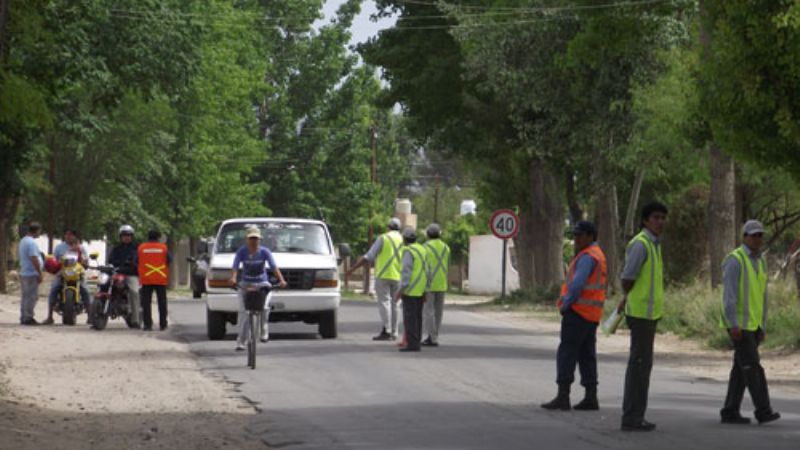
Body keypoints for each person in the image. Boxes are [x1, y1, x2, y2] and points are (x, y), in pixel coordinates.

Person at [719, 220, 781, 425]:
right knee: (753, 367)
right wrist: (733, 323)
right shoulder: (735, 260)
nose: (757, 239)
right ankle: (763, 410)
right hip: (739, 325)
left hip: (753, 324)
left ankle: (730, 411)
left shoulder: (760, 261)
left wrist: (762, 324)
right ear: (744, 236)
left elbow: (762, 296)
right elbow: (728, 296)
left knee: (741, 369)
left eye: (760, 235)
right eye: (753, 235)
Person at [542, 221, 607, 411]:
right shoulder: (598, 255)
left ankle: (563, 396)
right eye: (575, 235)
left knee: (567, 353)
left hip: (578, 312)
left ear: (590, 236)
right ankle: (591, 396)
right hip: (592, 315)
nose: (576, 239)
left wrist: (565, 304)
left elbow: (577, 285)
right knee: (587, 355)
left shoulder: (587, 257)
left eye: (579, 236)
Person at [618, 201, 667, 432]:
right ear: (645, 220)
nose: (660, 222)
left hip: (649, 315)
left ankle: (636, 415)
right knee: (639, 366)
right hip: (640, 315)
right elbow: (628, 277)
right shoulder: (641, 244)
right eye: (656, 217)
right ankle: (632, 416)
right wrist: (627, 297)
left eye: (662, 218)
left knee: (642, 366)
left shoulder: (654, 244)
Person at [229, 226, 287, 351]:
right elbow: (235, 267)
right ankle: (241, 341)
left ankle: (264, 330)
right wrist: (233, 278)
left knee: (264, 307)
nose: (254, 241)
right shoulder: (241, 252)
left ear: (260, 239)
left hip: (262, 284)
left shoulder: (265, 252)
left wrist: (281, 280)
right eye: (251, 239)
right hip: (246, 284)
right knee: (244, 313)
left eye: (256, 239)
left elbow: (274, 267)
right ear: (247, 239)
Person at [347, 218, 404, 341]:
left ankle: (386, 330)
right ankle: (395, 332)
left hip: (383, 275)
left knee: (384, 303)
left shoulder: (383, 238)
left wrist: (353, 269)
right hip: (399, 275)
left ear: (388, 226)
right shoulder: (404, 240)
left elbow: (369, 256)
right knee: (396, 304)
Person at [44, 229, 91, 325]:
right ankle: (50, 316)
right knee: (54, 288)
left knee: (85, 290)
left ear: (75, 236)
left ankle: (90, 316)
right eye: (66, 234)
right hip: (63, 272)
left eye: (70, 235)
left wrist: (80, 255)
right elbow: (55, 260)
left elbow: (86, 263)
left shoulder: (82, 248)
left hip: (78, 272)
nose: (68, 237)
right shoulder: (59, 247)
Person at [393, 227, 429, 352]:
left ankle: (412, 345)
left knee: (410, 318)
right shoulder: (422, 249)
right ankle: (416, 341)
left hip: (410, 290)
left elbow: (406, 272)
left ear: (404, 239)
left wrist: (400, 291)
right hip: (420, 289)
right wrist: (426, 290)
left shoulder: (408, 251)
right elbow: (427, 271)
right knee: (418, 317)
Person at [422, 223, 450, 347]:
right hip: (442, 283)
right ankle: (435, 336)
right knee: (439, 312)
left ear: (428, 234)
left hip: (429, 283)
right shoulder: (446, 247)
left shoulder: (425, 247)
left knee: (429, 311)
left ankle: (431, 337)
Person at [138, 230, 172, 331]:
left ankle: (147, 324)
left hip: (146, 279)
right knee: (162, 302)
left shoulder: (141, 248)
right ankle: (163, 324)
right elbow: (169, 260)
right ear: (158, 237)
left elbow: (136, 261)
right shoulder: (163, 248)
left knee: (146, 303)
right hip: (160, 278)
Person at [109, 225, 141, 327]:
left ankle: (135, 320)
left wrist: (133, 265)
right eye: (124, 235)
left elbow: (139, 261)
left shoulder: (137, 248)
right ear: (120, 236)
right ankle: (95, 315)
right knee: (103, 284)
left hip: (131, 274)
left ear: (132, 236)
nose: (126, 237)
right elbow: (110, 260)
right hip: (117, 273)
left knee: (134, 291)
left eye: (128, 235)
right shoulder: (116, 248)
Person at [18, 222, 44, 325]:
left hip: (25, 272)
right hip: (31, 273)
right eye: (39, 231)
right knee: (32, 296)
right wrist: (39, 272)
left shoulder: (23, 240)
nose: (39, 233)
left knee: (26, 296)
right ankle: (28, 317)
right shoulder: (31, 243)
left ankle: (24, 316)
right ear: (36, 231)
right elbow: (34, 258)